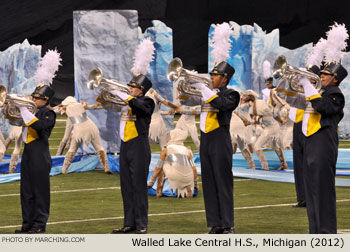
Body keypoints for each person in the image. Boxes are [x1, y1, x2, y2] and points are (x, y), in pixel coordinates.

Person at [179, 61, 240, 234]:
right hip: (205, 139)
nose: (211, 77)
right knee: (209, 183)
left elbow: (221, 104)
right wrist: (187, 83)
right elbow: (187, 99)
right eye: (211, 74)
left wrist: (203, 88)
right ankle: (215, 224)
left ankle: (228, 224)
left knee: (223, 183)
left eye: (215, 75)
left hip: (220, 139)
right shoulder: (206, 92)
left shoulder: (232, 94)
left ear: (224, 79)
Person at [296, 61, 347, 233]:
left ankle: (326, 232)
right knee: (311, 190)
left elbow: (322, 106)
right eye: (321, 73)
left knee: (323, 190)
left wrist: (307, 85)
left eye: (325, 74)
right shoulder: (317, 92)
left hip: (323, 143)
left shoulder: (335, 94)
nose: (321, 76)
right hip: (310, 141)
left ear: (335, 79)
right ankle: (316, 232)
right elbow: (291, 100)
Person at [14, 84, 56, 233]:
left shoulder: (49, 113)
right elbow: (15, 121)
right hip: (28, 153)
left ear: (45, 99)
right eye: (33, 96)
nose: (33, 99)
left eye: (36, 98)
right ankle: (27, 224)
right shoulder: (31, 111)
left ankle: (39, 225)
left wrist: (23, 109)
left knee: (40, 191)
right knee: (26, 191)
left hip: (40, 154)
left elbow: (38, 126)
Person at [147, 129, 199, 198]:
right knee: (185, 167)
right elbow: (194, 169)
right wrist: (195, 185)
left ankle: (159, 190)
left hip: (175, 175)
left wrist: (151, 183)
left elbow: (158, 168)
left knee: (162, 165)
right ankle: (187, 187)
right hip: (188, 177)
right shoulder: (188, 150)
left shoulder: (166, 149)